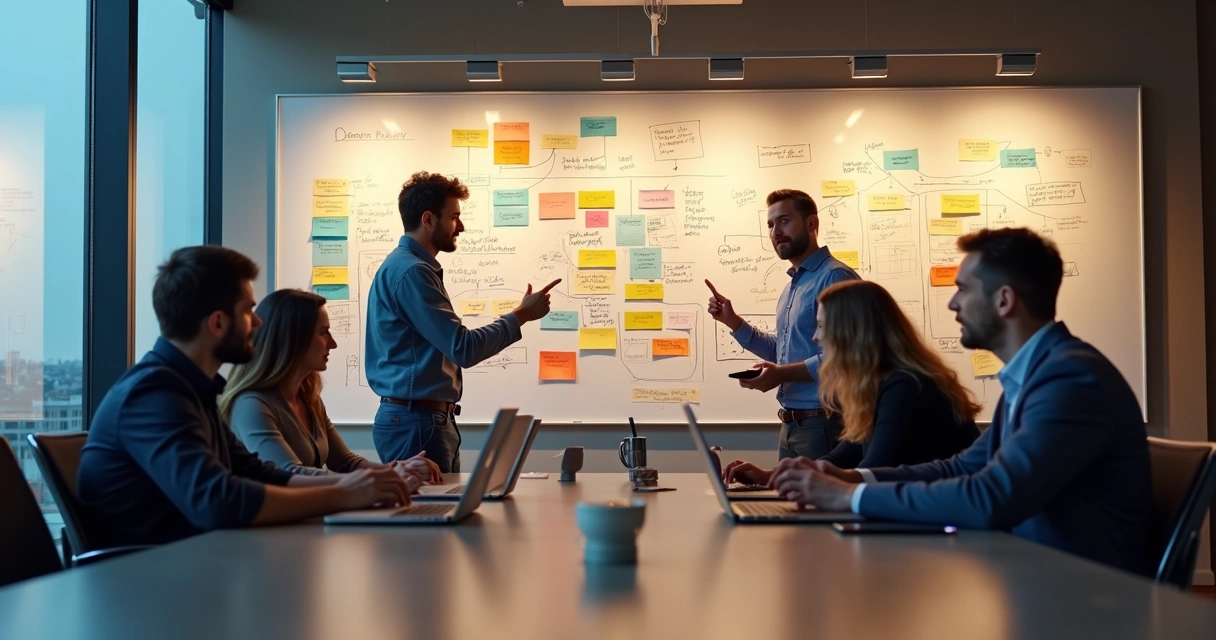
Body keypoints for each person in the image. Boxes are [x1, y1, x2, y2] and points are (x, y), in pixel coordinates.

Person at [771, 228, 1150, 575]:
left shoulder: (1069, 380)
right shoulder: (1037, 374)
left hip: (1082, 598)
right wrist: (851, 477)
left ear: (1004, 300)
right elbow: (961, 467)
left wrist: (850, 496)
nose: (953, 303)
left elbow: (991, 497)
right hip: (1034, 576)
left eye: (964, 289)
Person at [77, 246, 414, 548]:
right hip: (149, 588)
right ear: (219, 323)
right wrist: (343, 494)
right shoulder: (153, 395)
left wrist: (362, 487)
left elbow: (256, 471)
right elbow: (217, 501)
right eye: (248, 310)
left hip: (191, 566)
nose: (257, 322)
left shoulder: (190, 388)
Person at [366, 171, 559, 472]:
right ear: (428, 220)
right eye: (454, 217)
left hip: (422, 420)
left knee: (439, 511)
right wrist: (521, 315)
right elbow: (463, 348)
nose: (462, 226)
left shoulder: (408, 268)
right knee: (426, 515)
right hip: (416, 423)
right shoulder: (412, 273)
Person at [722, 280, 981, 485]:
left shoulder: (906, 386)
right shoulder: (880, 384)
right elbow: (846, 455)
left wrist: (801, 480)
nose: (815, 338)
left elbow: (872, 473)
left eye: (822, 326)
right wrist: (771, 477)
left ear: (853, 332)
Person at [221, 289, 442, 483]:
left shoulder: (309, 397)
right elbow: (289, 473)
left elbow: (346, 462)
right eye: (323, 332)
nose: (333, 343)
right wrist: (383, 478)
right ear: (292, 339)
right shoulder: (251, 404)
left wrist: (397, 469)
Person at [705, 189, 860, 461]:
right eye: (770, 224)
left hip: (825, 424)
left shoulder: (835, 277)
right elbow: (783, 352)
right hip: (791, 425)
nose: (775, 231)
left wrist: (781, 374)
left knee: (820, 504)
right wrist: (732, 320)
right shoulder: (792, 287)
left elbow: (848, 355)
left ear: (812, 224)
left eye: (784, 221)